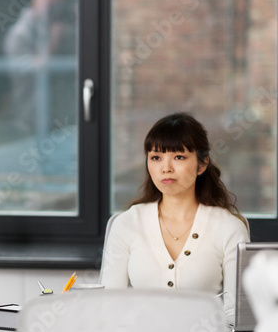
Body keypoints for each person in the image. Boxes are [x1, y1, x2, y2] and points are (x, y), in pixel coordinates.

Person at [101, 112, 249, 319]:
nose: (166, 168)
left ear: (202, 164)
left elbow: (237, 314)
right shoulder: (127, 223)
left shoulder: (229, 227)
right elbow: (110, 305)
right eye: (156, 158)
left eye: (179, 157)